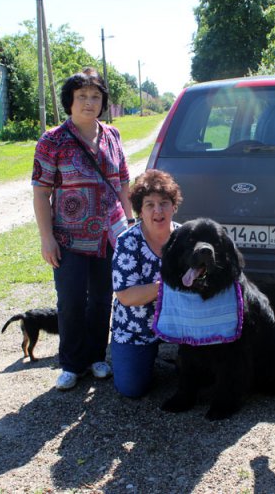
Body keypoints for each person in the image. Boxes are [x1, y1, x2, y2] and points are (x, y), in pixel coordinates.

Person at [32, 68, 134, 391]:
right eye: (82, 97)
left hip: (108, 237)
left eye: (95, 96)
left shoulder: (113, 136)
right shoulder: (52, 141)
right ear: (69, 101)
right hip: (69, 239)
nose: (89, 103)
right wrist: (46, 237)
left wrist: (130, 228)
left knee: (102, 299)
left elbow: (123, 183)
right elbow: (40, 191)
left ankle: (96, 357)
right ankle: (71, 364)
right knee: (72, 301)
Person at [110, 169, 182, 398]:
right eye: (149, 204)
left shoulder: (186, 237)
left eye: (164, 203)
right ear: (140, 210)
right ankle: (148, 357)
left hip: (181, 325)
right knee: (132, 389)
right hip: (136, 326)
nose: (158, 211)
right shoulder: (127, 242)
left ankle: (172, 356)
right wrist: (167, 286)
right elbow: (126, 296)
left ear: (174, 206)